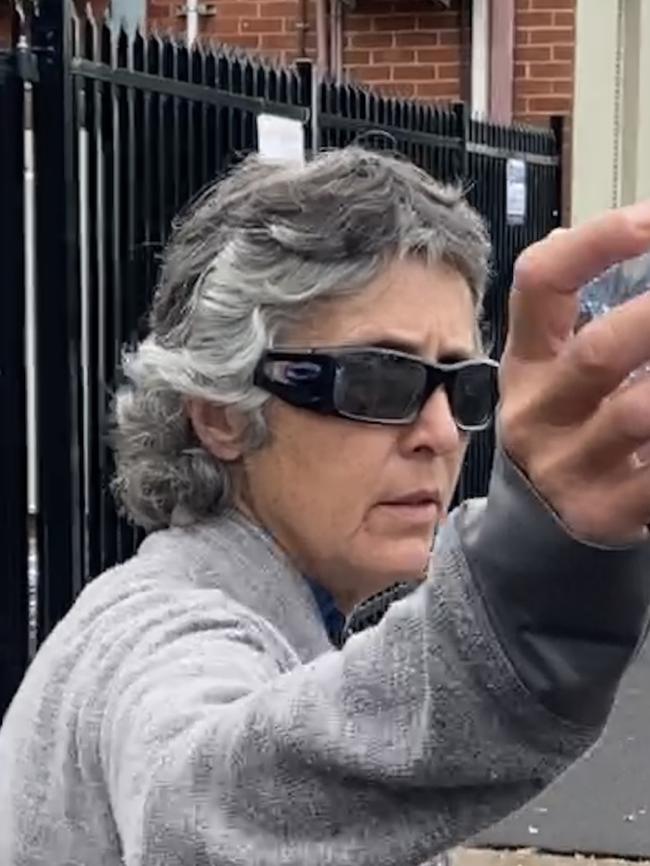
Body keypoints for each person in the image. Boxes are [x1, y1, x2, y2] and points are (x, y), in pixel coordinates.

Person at [1, 147, 650, 866]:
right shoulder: (158, 630)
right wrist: (534, 593)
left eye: (464, 388)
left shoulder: (290, 616)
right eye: (376, 382)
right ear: (220, 413)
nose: (439, 434)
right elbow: (192, 806)